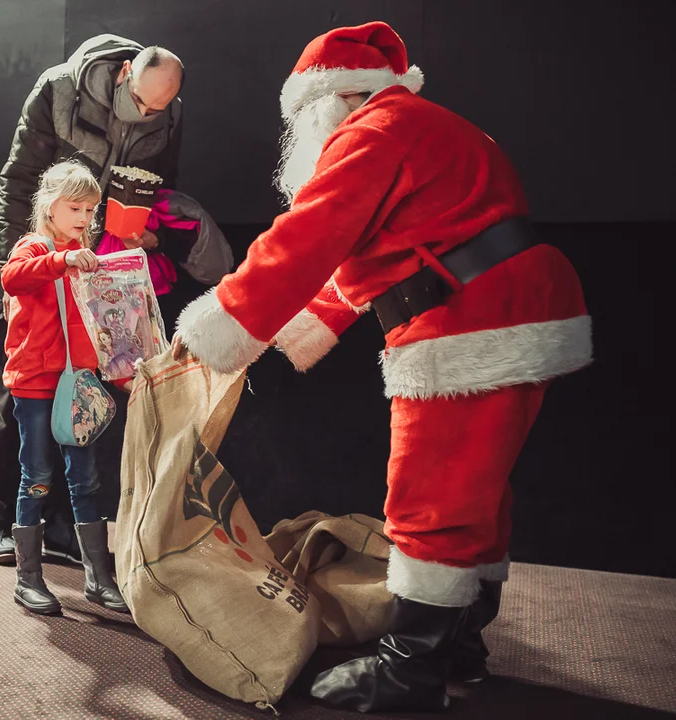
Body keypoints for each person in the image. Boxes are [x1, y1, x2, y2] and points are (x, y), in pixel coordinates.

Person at [172, 22, 591, 713]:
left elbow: (305, 238)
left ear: (325, 103)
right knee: (475, 483)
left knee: (430, 490)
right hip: (514, 305)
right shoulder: (419, 126)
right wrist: (298, 329)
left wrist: (222, 327)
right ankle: (459, 646)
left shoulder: (370, 134)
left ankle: (410, 670)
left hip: (470, 318)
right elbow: (363, 262)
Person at [0, 34, 184, 565]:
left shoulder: (166, 116)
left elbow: (160, 189)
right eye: (141, 101)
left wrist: (142, 234)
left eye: (158, 109)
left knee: (82, 405)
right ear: (123, 74)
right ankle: (0, 520)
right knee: (13, 396)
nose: (147, 114)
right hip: (36, 265)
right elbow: (18, 179)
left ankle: (64, 528)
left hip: (98, 278)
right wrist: (10, 271)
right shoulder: (59, 88)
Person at [0, 161, 129, 615]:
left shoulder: (86, 255)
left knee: (86, 480)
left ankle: (98, 578)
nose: (83, 218)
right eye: (75, 207)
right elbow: (11, 278)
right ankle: (28, 579)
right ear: (48, 205)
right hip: (36, 384)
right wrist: (62, 259)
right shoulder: (33, 247)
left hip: (79, 385)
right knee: (36, 477)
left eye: (90, 210)